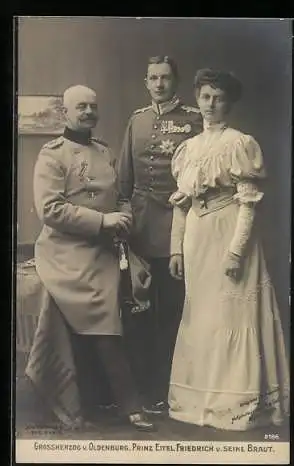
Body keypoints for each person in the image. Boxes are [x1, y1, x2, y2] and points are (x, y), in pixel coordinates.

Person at [168, 69, 290, 430]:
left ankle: (234, 404)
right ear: (197, 98)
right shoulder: (188, 149)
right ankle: (199, 401)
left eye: (218, 98)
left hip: (228, 228)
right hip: (197, 234)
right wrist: (176, 249)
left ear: (230, 103)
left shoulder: (239, 143)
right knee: (200, 314)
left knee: (230, 315)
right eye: (205, 96)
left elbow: (249, 203)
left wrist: (237, 252)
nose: (211, 105)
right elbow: (181, 203)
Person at [33, 84, 154, 431]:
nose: (88, 112)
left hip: (105, 250)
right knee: (104, 317)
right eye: (81, 107)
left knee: (124, 310)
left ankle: (108, 400)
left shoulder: (104, 151)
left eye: (93, 106)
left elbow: (120, 197)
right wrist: (103, 221)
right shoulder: (52, 155)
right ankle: (129, 404)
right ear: (65, 113)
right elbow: (50, 209)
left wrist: (125, 214)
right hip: (65, 252)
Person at [117, 56, 203, 414]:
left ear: (176, 81)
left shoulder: (194, 120)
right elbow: (124, 181)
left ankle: (167, 389)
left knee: (172, 310)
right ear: (146, 82)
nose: (159, 84)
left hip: (177, 229)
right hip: (139, 228)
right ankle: (139, 387)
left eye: (165, 78)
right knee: (138, 312)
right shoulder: (137, 120)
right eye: (153, 77)